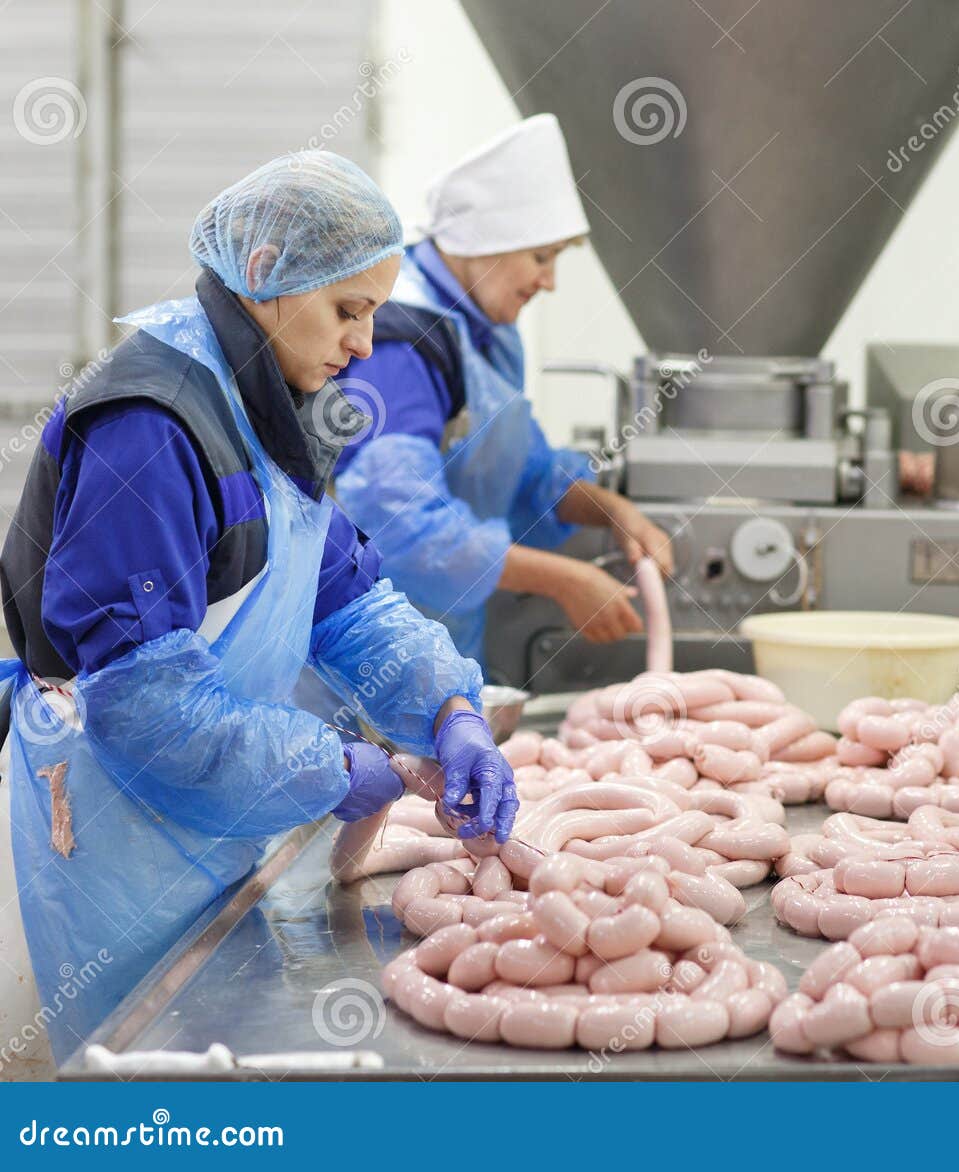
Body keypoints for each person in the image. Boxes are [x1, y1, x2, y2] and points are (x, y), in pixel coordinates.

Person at [0, 153, 518, 1070]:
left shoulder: (276, 405)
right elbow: (145, 712)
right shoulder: (153, 426)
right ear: (270, 274)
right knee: (133, 1076)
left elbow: (348, 600)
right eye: (348, 310)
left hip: (206, 821)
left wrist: (451, 709)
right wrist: (331, 766)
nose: (365, 345)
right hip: (114, 837)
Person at [333, 115, 673, 666]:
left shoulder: (482, 336)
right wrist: (564, 580)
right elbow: (400, 524)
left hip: (438, 653)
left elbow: (528, 472)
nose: (550, 281)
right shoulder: (399, 346)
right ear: (482, 243)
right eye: (541, 257)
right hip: (362, 664)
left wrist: (614, 513)